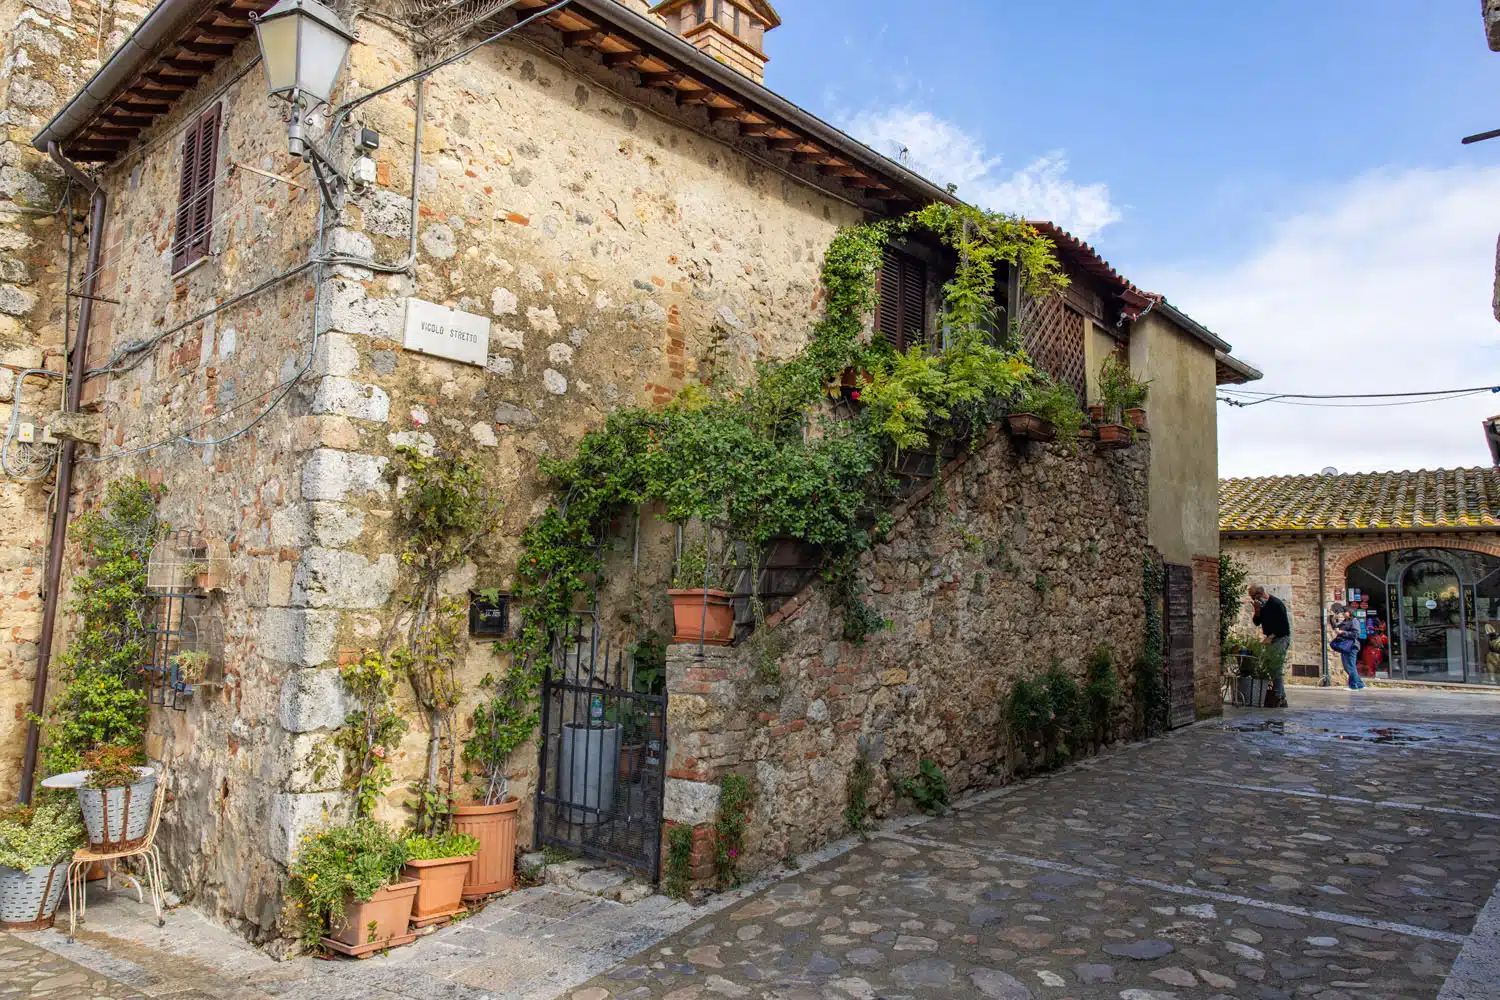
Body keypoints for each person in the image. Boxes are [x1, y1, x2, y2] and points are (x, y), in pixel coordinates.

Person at [1249, 585, 1290, 707]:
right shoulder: (1262, 606)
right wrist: (1257, 611)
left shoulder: (1276, 604)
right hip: (1271, 638)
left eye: (1253, 597)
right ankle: (1276, 694)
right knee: (1269, 667)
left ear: (1260, 594)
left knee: (1276, 667)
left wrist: (1271, 637)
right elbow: (1257, 622)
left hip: (1280, 638)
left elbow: (1283, 627)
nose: (1253, 600)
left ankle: (1280, 696)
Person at [1329, 604, 1365, 690]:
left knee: (1350, 666)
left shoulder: (1354, 621)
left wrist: (1342, 633)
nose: (1343, 613)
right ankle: (1360, 684)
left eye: (1345, 612)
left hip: (1351, 646)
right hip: (1345, 646)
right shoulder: (1346, 621)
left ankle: (1353, 686)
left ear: (1350, 612)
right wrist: (1333, 620)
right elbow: (1337, 628)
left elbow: (1356, 634)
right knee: (1348, 666)